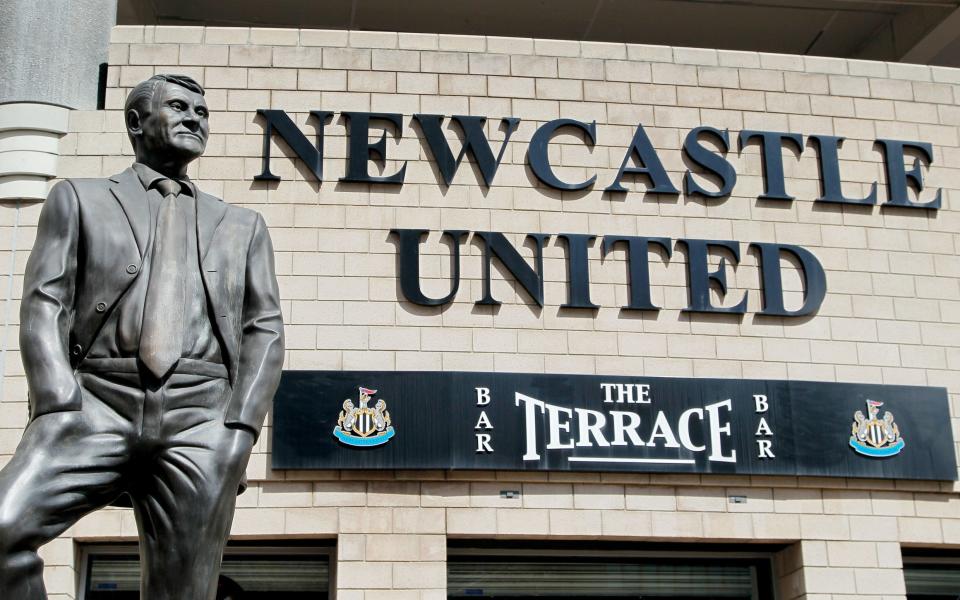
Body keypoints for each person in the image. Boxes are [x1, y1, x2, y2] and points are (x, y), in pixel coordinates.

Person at [0, 74, 284, 599]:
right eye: (179, 106)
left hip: (201, 417)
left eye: (202, 111)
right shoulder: (78, 199)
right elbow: (45, 303)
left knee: (183, 592)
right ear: (135, 122)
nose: (195, 117)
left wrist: (238, 429)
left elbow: (263, 330)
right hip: (96, 403)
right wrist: (58, 400)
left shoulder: (243, 225)